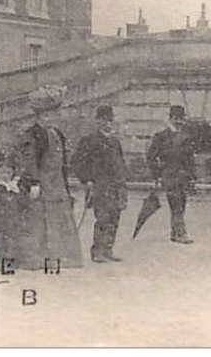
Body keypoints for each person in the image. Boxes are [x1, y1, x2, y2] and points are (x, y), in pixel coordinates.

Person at [13, 86, 84, 270]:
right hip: (42, 184)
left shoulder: (56, 133)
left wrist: (66, 187)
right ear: (39, 116)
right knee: (39, 222)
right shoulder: (33, 134)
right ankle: (36, 259)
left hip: (57, 184)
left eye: (53, 114)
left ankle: (60, 258)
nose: (52, 118)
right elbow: (29, 160)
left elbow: (62, 164)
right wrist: (34, 182)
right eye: (47, 115)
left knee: (59, 221)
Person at [71, 105, 129, 263]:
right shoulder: (89, 140)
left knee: (114, 219)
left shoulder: (115, 142)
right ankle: (97, 251)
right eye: (103, 120)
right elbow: (76, 162)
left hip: (116, 187)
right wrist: (87, 179)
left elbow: (120, 163)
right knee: (102, 219)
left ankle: (108, 249)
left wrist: (122, 183)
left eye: (110, 120)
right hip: (99, 186)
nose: (107, 123)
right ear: (97, 121)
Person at [145, 105, 198, 244]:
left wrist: (192, 177)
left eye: (182, 119)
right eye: (176, 119)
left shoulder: (187, 137)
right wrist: (157, 174)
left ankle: (175, 233)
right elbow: (150, 157)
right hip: (169, 176)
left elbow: (190, 159)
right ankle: (181, 234)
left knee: (182, 204)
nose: (179, 122)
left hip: (183, 177)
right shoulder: (161, 137)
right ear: (170, 119)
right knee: (176, 204)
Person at [0, 153, 27, 275]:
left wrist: (17, 193)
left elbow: (23, 203)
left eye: (8, 173)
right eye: (2, 172)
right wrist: (8, 200)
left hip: (13, 221)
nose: (5, 176)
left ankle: (8, 264)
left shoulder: (15, 187)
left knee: (12, 243)